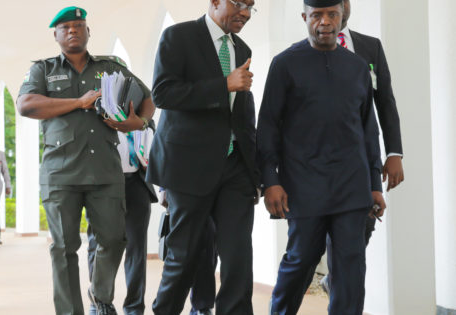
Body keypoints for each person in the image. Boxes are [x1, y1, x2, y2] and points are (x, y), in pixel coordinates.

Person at [257, 0, 386, 314]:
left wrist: (374, 184)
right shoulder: (284, 64)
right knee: (300, 261)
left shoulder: (357, 67)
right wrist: (271, 182)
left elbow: (369, 131)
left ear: (343, 17)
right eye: (317, 15)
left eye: (332, 14)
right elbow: (268, 127)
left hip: (352, 187)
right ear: (305, 17)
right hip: (303, 186)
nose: (325, 22)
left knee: (351, 270)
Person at [16, 6, 147, 315]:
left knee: (115, 239)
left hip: (105, 171)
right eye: (66, 28)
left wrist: (138, 122)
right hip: (60, 174)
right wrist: (78, 102)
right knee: (63, 249)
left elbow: (147, 95)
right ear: (56, 35)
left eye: (79, 26)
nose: (73, 30)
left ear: (89, 32)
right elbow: (25, 104)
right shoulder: (43, 70)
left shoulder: (111, 67)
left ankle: (100, 298)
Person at [146, 0, 260, 314]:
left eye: (251, 6)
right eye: (239, 4)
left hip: (235, 167)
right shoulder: (178, 37)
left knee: (238, 256)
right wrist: (223, 84)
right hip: (188, 167)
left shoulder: (242, 47)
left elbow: (243, 113)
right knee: (185, 255)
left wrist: (257, 174)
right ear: (214, 2)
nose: (246, 12)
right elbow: (163, 93)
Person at [313, 0, 405, 295]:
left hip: (362, 156)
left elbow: (385, 102)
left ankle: (336, 280)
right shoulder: (307, 48)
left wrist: (394, 153)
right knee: (318, 234)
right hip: (318, 159)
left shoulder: (370, 47)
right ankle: (325, 279)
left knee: (365, 218)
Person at [87, 104, 158, 315]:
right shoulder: (97, 112)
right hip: (104, 184)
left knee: (137, 250)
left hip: (137, 183)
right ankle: (98, 302)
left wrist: (150, 161)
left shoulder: (143, 116)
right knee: (97, 245)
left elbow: (156, 147)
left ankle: (134, 307)